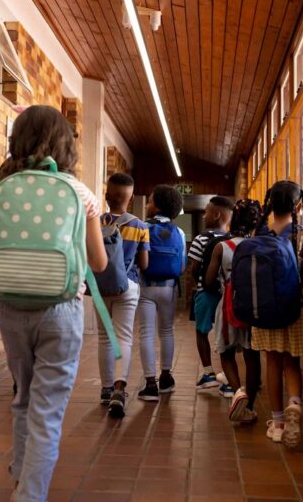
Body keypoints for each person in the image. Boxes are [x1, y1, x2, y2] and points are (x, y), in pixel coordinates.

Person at [0, 105, 107, 502]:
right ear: (66, 143)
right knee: (47, 410)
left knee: (23, 397)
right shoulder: (79, 192)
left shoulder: (5, 184)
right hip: (61, 310)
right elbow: (99, 262)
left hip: (9, 307)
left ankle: (21, 479)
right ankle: (29, 495)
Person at [253, 181, 303, 448]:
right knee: (293, 362)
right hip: (295, 306)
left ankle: (278, 423)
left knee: (273, 362)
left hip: (266, 307)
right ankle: (295, 402)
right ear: (298, 204)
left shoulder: (259, 233)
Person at [204, 199, 264, 425]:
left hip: (228, 305)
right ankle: (249, 406)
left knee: (226, 352)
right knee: (252, 355)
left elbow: (209, 280)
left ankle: (237, 391)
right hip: (253, 306)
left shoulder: (222, 247)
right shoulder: (258, 244)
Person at [96, 173, 150, 417]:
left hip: (99, 287)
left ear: (107, 196)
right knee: (124, 337)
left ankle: (106, 389)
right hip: (128, 285)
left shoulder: (95, 222)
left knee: (104, 338)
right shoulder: (140, 226)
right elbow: (145, 264)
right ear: (130, 198)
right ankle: (120, 388)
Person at [136, 185, 186, 401]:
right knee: (166, 331)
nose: (147, 205)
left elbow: (137, 260)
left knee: (146, 333)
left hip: (145, 286)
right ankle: (166, 377)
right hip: (169, 288)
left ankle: (150, 384)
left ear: (156, 206)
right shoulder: (180, 232)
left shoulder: (142, 227)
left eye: (149, 201)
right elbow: (182, 266)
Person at [187, 196, 234, 391]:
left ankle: (208, 373)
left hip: (205, 293)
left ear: (216, 215)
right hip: (227, 295)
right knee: (226, 336)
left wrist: (197, 285)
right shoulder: (232, 240)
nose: (204, 215)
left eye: (206, 212)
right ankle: (231, 382)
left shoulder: (201, 238)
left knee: (201, 331)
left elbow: (194, 268)